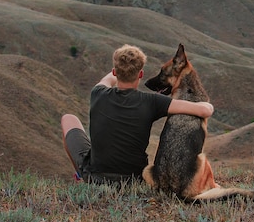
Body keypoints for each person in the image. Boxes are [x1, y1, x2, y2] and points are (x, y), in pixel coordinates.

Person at [61, 44, 214, 184]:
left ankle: (81, 176)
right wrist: (207, 103)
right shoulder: (152, 102)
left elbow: (107, 79)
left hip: (96, 177)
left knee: (68, 119)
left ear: (115, 72)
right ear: (140, 75)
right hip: (135, 179)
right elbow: (204, 110)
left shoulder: (98, 92)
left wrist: (121, 68)